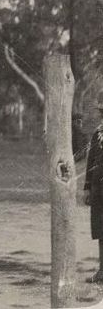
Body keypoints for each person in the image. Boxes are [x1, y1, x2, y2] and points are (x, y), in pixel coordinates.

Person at [84, 95, 103, 283]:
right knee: (100, 230)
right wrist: (87, 187)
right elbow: (91, 160)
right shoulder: (98, 133)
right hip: (99, 189)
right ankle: (102, 270)